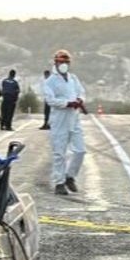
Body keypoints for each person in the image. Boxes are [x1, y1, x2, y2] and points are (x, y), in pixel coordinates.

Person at [41, 49, 86, 195]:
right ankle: (59, 182)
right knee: (59, 153)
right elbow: (50, 100)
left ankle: (70, 176)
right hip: (60, 120)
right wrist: (67, 103)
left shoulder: (73, 78)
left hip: (74, 118)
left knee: (80, 150)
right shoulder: (50, 81)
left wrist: (80, 100)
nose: (64, 64)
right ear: (56, 62)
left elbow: (81, 92)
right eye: (61, 61)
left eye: (67, 62)